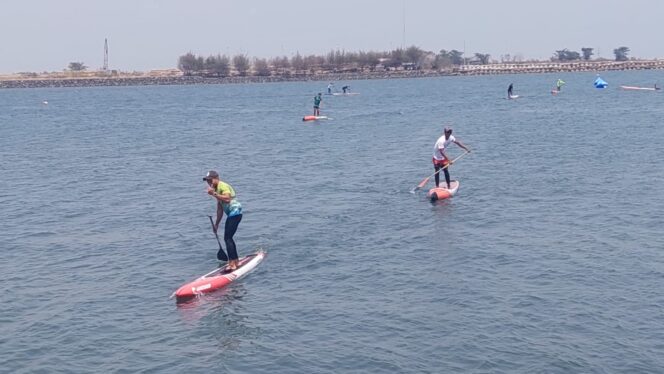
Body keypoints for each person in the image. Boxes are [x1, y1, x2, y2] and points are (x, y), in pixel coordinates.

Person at [203, 170, 243, 270]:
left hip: (236, 212)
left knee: (227, 238)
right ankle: (236, 261)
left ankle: (232, 263)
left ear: (216, 178)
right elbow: (220, 209)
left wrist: (213, 194)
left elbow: (227, 199)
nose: (209, 182)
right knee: (228, 238)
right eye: (207, 181)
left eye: (210, 180)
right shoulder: (216, 189)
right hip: (232, 215)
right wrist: (216, 224)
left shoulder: (222, 186)